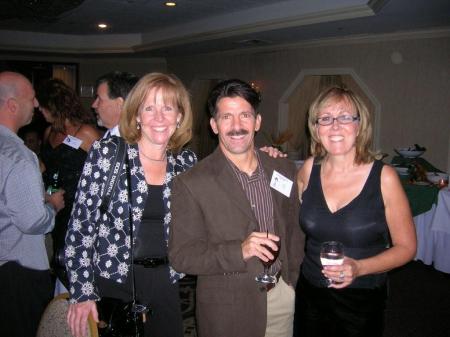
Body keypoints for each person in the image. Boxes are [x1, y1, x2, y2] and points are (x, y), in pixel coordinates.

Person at [169, 79, 305, 337]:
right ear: (213, 125)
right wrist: (238, 251)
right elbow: (182, 256)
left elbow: (295, 231)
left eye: (245, 115)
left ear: (258, 122)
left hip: (282, 298)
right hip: (228, 310)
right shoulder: (191, 182)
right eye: (226, 117)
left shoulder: (283, 169)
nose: (236, 126)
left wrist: (292, 282)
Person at [65, 72, 197, 337]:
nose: (159, 118)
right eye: (149, 108)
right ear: (136, 115)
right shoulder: (109, 154)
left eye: (167, 108)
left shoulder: (186, 163)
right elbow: (80, 228)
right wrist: (82, 292)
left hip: (166, 283)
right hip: (113, 281)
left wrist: (259, 157)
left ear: (179, 116)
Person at [293, 86, 417, 337]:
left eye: (345, 117)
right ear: (315, 128)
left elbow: (407, 248)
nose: (335, 126)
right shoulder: (308, 169)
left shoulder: (384, 177)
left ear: (360, 125)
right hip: (311, 293)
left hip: (362, 299)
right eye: (325, 119)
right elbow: (286, 209)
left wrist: (358, 268)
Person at [0, 71, 65, 337]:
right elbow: (33, 222)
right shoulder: (18, 155)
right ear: (12, 105)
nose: (36, 105)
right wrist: (52, 206)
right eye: (31, 98)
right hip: (17, 269)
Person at [36, 78, 101, 290]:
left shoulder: (85, 133)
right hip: (55, 206)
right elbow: (49, 170)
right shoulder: (49, 133)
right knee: (57, 258)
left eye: (43, 107)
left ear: (54, 107)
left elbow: (105, 171)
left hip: (79, 209)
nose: (40, 111)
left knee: (74, 261)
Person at [91, 71, 139, 137]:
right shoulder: (113, 135)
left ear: (120, 104)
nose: (94, 105)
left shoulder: (128, 142)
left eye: (99, 99)